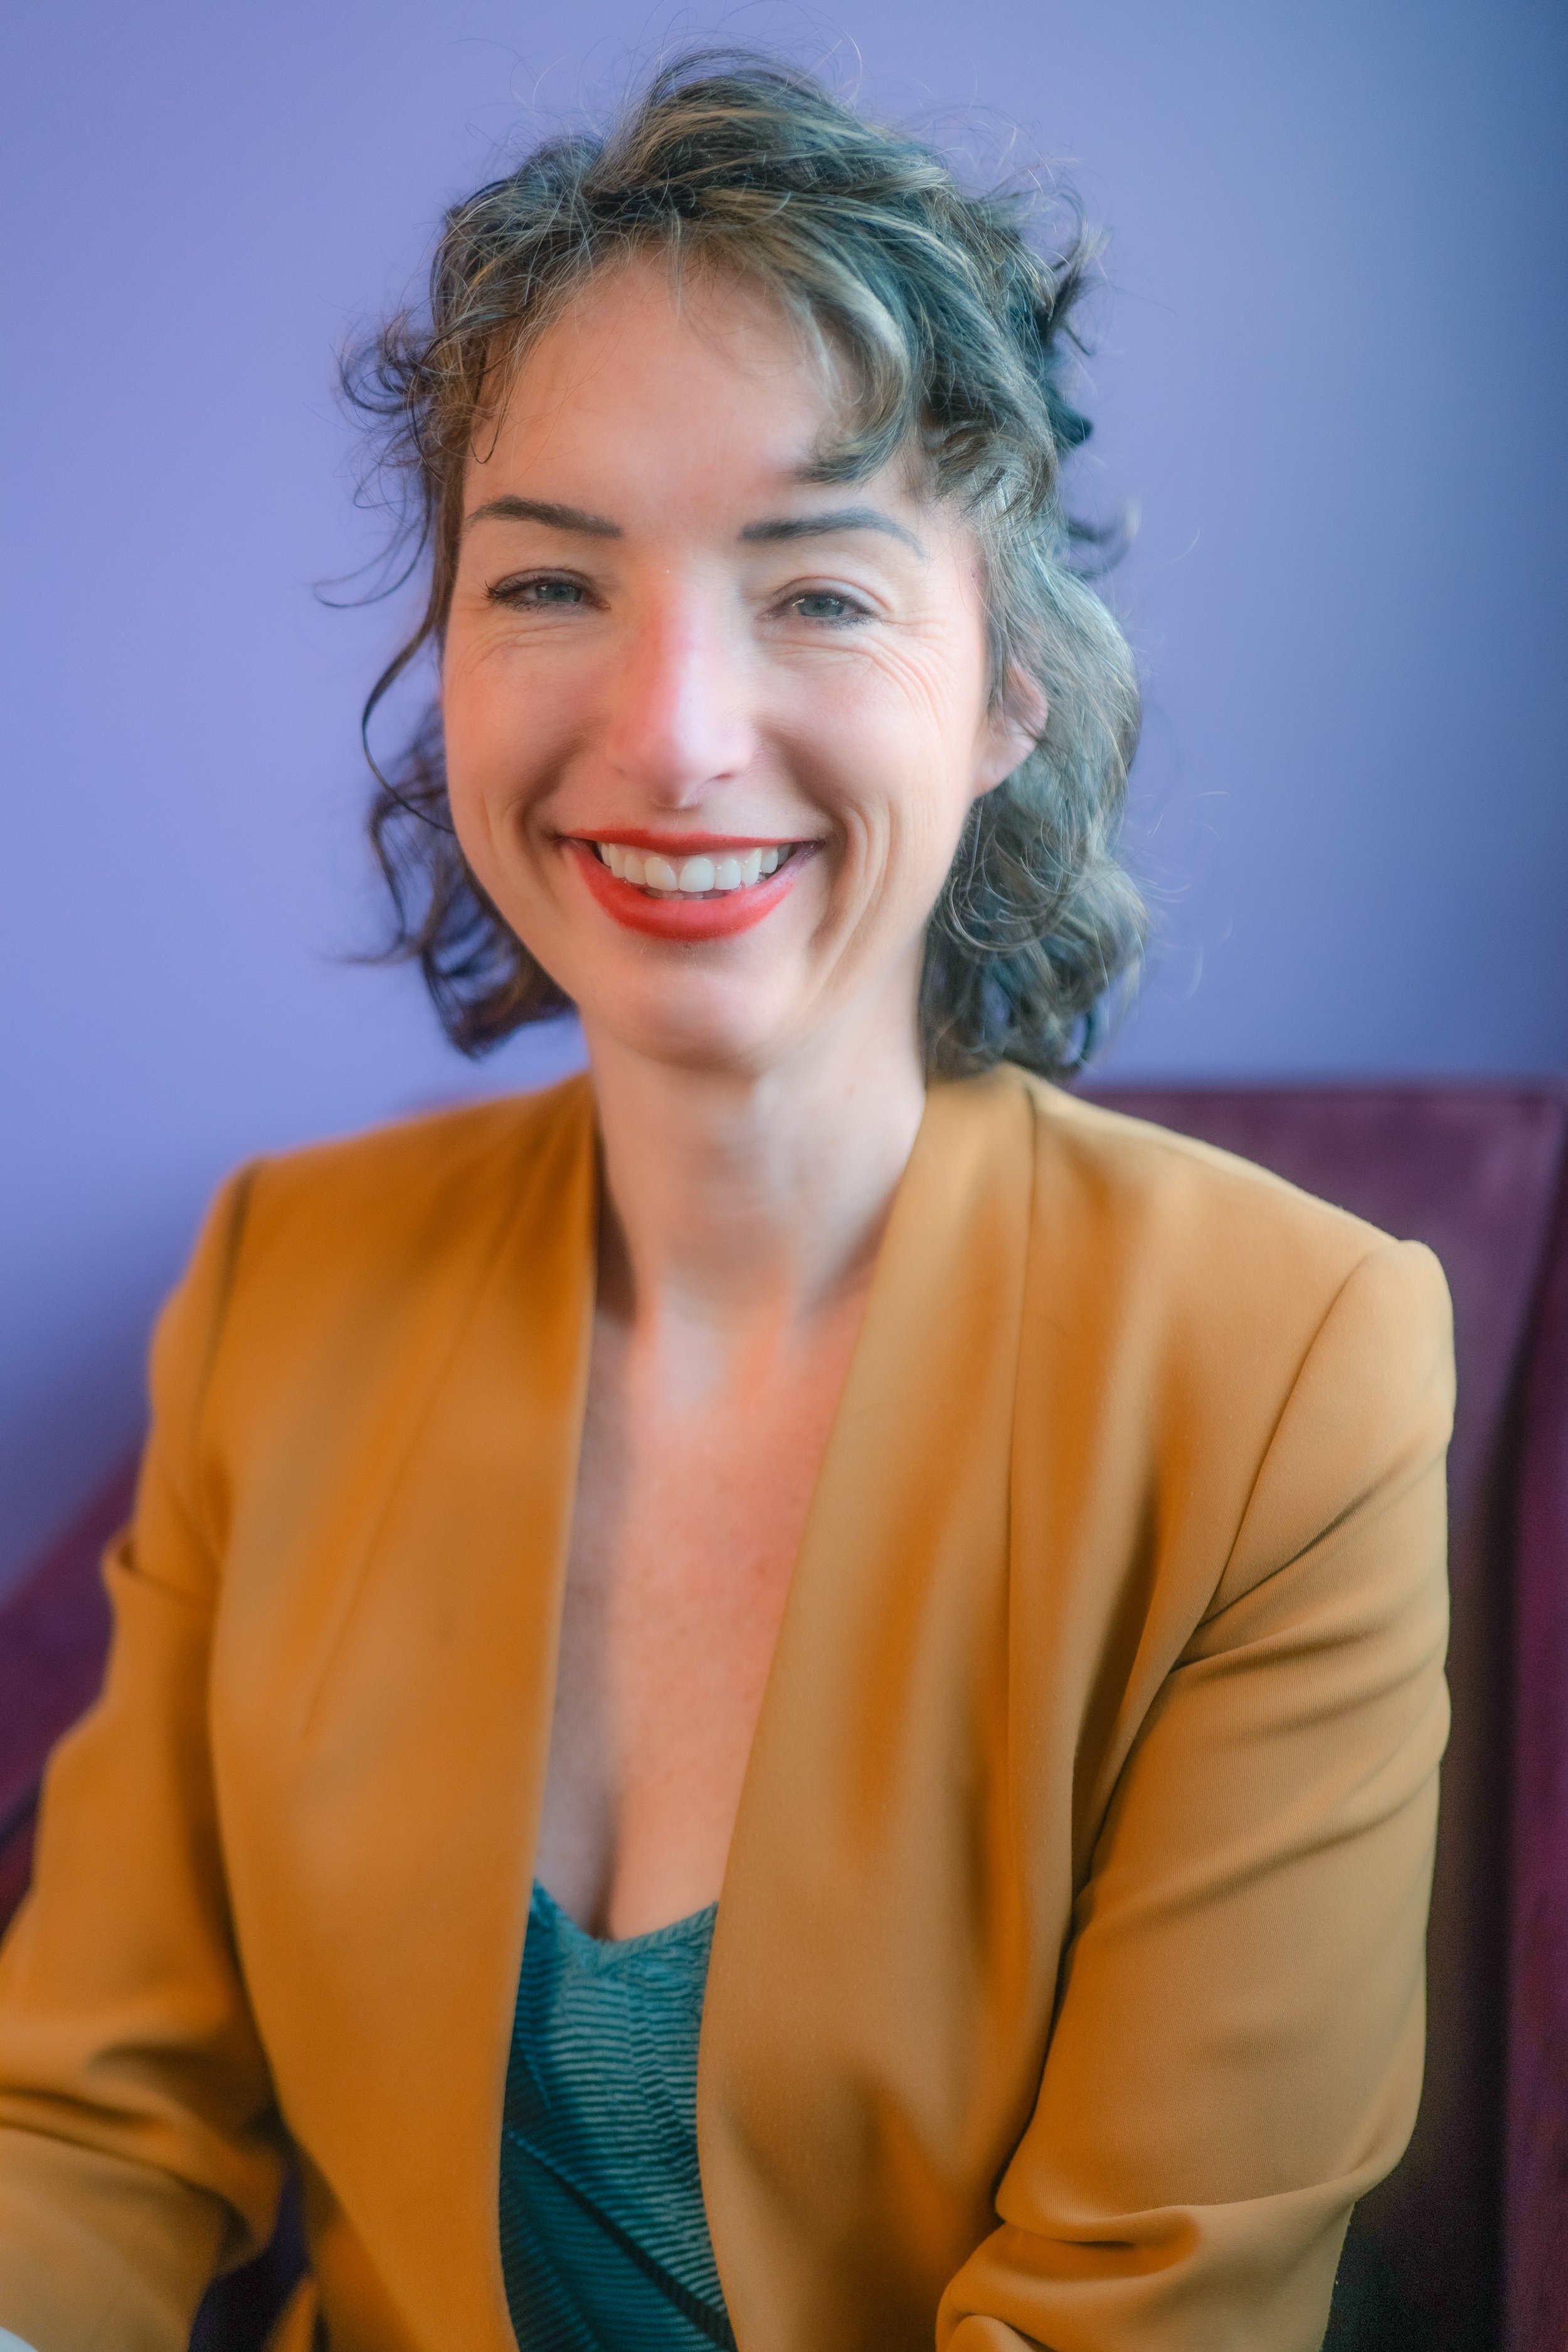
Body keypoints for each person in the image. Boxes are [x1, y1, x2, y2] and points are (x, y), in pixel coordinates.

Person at [0, 53, 1451, 2352]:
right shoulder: (284, 1279)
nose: (672, 731)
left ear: (1003, 694)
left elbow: (1149, 2307)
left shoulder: (1289, 1362)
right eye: (551, 578)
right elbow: (87, 2124)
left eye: (819, 590)